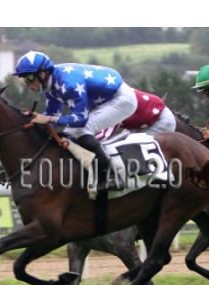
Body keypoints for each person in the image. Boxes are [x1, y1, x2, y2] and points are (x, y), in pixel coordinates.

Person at [13, 50, 139, 192]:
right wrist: (32, 123)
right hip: (103, 101)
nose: (26, 84)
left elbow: (80, 119)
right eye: (23, 78)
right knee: (68, 134)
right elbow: (52, 116)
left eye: (29, 77)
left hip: (122, 100)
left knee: (81, 130)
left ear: (42, 74)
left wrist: (47, 119)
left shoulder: (69, 84)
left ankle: (112, 176)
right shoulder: (50, 84)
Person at [94, 89, 176, 141]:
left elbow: (102, 137)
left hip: (161, 120)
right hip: (145, 120)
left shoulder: (113, 104)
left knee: (128, 148)